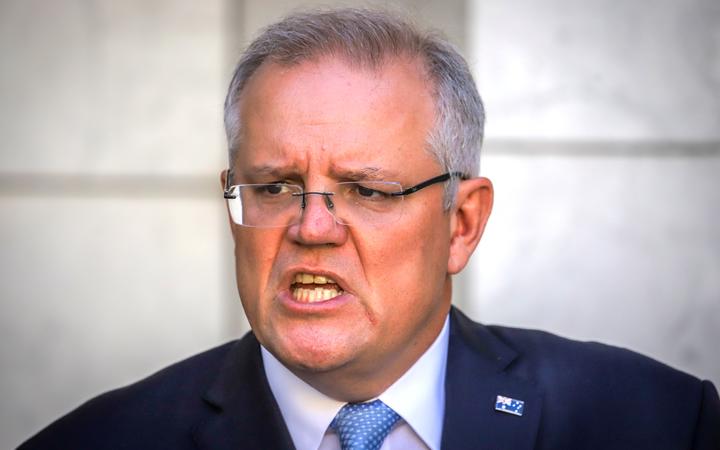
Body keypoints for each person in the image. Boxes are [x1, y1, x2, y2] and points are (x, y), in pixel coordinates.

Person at [20, 7, 719, 450]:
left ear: (462, 224)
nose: (312, 227)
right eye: (274, 187)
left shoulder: (657, 421)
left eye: (367, 190)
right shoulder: (99, 440)